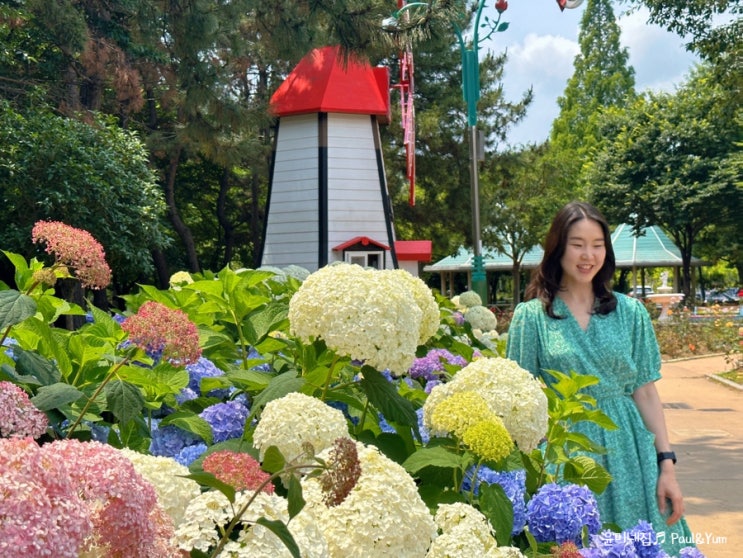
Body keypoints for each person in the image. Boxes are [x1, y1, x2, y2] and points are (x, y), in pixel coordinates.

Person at [506, 201, 695, 555]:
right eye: (577, 244)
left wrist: (666, 466)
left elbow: (645, 393)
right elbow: (518, 398)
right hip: (566, 454)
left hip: (630, 453)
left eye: (597, 244)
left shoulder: (631, 313)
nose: (587, 254)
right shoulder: (531, 317)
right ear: (558, 247)